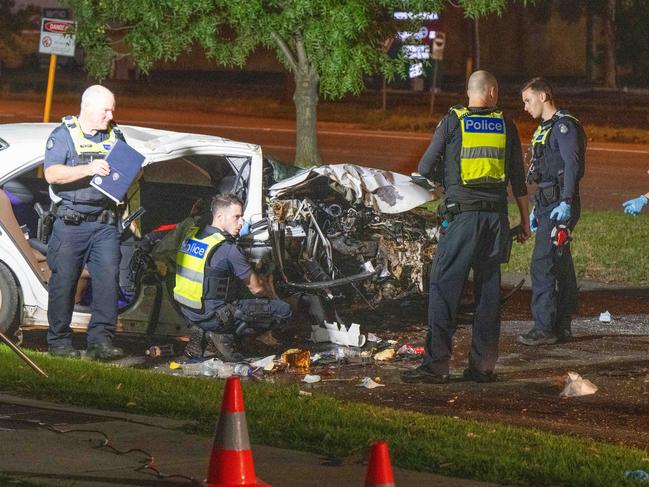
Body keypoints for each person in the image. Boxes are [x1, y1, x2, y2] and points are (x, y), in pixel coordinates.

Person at [401, 70, 530, 384]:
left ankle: (436, 367)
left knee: (444, 289)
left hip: (462, 220)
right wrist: (525, 221)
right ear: (492, 92)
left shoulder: (453, 120)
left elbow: (424, 168)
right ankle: (483, 367)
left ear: (472, 92)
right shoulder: (506, 125)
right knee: (488, 293)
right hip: (495, 221)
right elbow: (518, 179)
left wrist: (446, 186)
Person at [44, 85, 128, 359]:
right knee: (64, 284)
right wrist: (89, 169)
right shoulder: (63, 135)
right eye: (106, 109)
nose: (110, 114)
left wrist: (132, 173)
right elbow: (52, 174)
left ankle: (101, 343)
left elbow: (129, 169)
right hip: (71, 224)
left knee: (107, 283)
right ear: (88, 106)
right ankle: (59, 343)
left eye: (112, 108)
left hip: (105, 224)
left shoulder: (115, 134)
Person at [173, 193, 292, 361]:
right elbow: (257, 290)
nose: (242, 222)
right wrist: (271, 290)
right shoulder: (228, 249)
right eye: (237, 217)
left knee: (236, 295)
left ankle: (203, 331)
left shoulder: (191, 236)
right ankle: (223, 336)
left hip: (189, 312)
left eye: (242, 216)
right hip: (214, 317)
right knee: (283, 310)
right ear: (220, 216)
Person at [518, 77, 586, 346]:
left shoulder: (564, 126)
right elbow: (543, 170)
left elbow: (571, 165)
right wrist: (537, 207)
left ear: (543, 96)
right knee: (561, 263)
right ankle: (563, 325)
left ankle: (544, 328)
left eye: (528, 100)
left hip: (560, 203)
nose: (525, 107)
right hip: (548, 203)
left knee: (542, 263)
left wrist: (566, 202)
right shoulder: (545, 128)